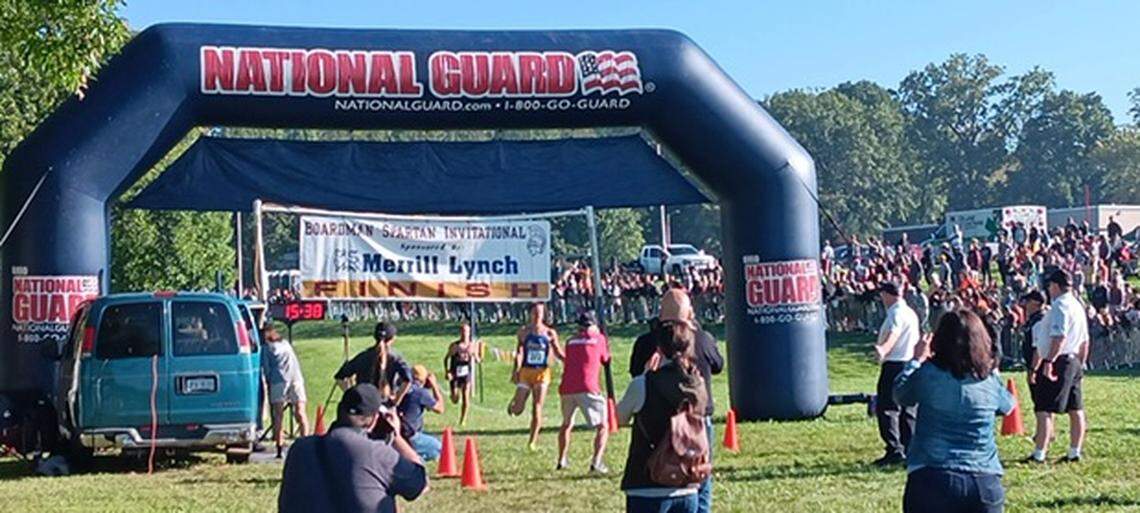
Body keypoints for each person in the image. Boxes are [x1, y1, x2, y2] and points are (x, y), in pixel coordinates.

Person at [894, 309, 1014, 513]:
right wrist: (992, 369)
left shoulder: (928, 374)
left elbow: (901, 394)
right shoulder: (988, 381)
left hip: (933, 477)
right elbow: (1008, 405)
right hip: (983, 479)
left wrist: (915, 360)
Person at [628, 287, 723, 513]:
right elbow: (718, 365)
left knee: (657, 471)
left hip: (654, 422)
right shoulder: (703, 339)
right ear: (689, 314)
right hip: (697, 422)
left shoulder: (646, 342)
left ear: (660, 314)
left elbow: (636, 374)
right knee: (697, 476)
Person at [279, 384, 427, 513]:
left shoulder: (299, 449)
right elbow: (420, 484)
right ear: (374, 419)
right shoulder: (377, 453)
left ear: (339, 411)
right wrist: (397, 437)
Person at [617, 320, 708, 513]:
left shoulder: (644, 384)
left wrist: (643, 374)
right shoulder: (698, 386)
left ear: (659, 349)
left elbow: (618, 419)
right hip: (687, 481)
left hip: (646, 482)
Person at [1027, 270, 1090, 463]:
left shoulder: (1060, 306)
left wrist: (1049, 361)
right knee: (1075, 407)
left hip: (1060, 360)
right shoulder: (1078, 305)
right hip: (1074, 360)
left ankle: (1040, 453)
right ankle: (1074, 451)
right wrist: (1081, 362)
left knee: (1044, 408)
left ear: (1055, 286)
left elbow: (1059, 336)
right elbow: (1085, 340)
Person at [557, 310, 612, 474]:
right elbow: (605, 359)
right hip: (588, 386)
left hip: (567, 387)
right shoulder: (599, 339)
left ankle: (561, 459)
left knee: (566, 424)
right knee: (603, 426)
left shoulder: (570, 341)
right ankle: (596, 462)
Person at [872, 281, 921, 466]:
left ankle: (894, 449)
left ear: (886, 294)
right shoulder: (910, 312)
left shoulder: (895, 313)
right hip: (909, 363)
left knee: (888, 408)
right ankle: (910, 448)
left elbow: (893, 332)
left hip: (894, 364)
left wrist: (883, 349)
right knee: (908, 409)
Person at [508, 303, 564, 450]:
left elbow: (558, 352)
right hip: (526, 372)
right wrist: (516, 370)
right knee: (518, 409)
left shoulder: (550, 333)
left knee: (537, 406)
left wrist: (570, 360)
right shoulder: (524, 332)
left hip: (542, 373)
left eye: (540, 312)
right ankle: (514, 403)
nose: (537, 315)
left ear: (544, 314)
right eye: (535, 312)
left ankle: (532, 441)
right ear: (530, 314)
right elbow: (519, 352)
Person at [261, 322, 310, 457]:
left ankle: (305, 443)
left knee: (300, 412)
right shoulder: (265, 348)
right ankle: (279, 446)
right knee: (279, 415)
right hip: (278, 381)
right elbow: (266, 367)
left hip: (295, 378)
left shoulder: (285, 343)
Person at [335, 322, 412, 404]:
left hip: (364, 404)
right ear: (393, 338)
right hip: (386, 403)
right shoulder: (396, 358)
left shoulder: (363, 356)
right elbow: (408, 380)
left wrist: (352, 395)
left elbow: (340, 377)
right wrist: (397, 400)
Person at [398, 365, 445, 461]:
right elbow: (440, 409)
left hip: (398, 432)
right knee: (440, 449)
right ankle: (415, 457)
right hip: (411, 435)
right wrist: (435, 386)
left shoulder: (401, 388)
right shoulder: (421, 393)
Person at [444, 322, 481, 426]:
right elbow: (446, 358)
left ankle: (463, 420)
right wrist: (447, 371)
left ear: (469, 333)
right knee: (455, 399)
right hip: (455, 373)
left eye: (466, 331)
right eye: (463, 331)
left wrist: (476, 356)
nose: (464, 334)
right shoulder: (455, 346)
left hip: (466, 373)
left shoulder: (472, 346)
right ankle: (454, 394)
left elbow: (478, 359)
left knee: (466, 397)